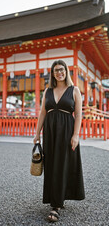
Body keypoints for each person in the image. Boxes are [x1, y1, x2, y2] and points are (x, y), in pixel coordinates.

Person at [33, 60, 85, 223]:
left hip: (67, 131)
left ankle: (56, 206)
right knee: (52, 164)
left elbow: (78, 115)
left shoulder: (74, 90)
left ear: (66, 71)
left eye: (61, 70)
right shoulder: (48, 91)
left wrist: (75, 135)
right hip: (50, 131)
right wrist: (37, 134)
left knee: (63, 164)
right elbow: (42, 112)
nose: (59, 73)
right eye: (55, 70)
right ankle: (55, 198)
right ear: (52, 73)